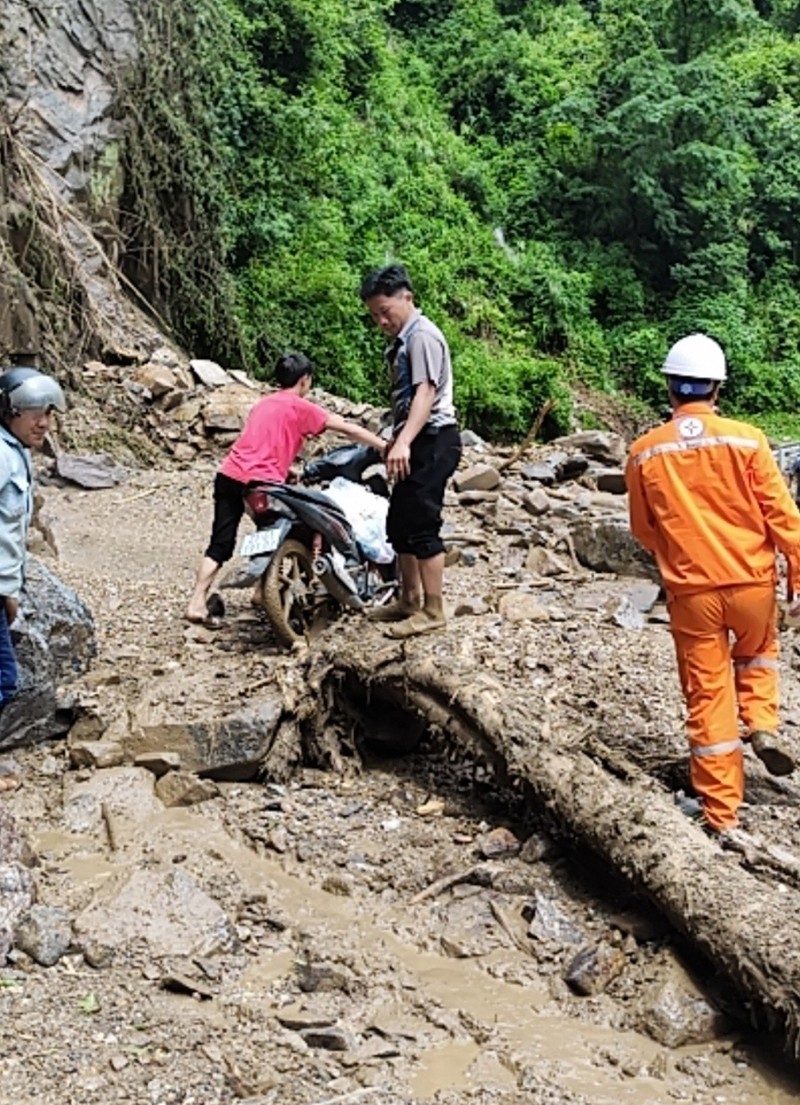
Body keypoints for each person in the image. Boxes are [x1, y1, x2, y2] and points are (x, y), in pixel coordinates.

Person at [626, 333, 800, 834]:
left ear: (670, 387)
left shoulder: (644, 452)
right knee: (758, 655)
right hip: (752, 584)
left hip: (693, 593)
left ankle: (721, 814)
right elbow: (784, 518)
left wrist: (677, 557)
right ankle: (763, 722)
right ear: (717, 388)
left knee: (707, 695)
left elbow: (643, 528)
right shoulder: (748, 440)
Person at [186, 352, 387, 624]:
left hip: (229, 475)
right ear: (304, 380)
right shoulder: (301, 406)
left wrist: (286, 468)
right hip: (261, 483)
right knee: (293, 525)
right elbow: (346, 429)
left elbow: (262, 442)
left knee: (221, 543)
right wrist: (384, 446)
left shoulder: (262, 404)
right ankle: (263, 591)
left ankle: (197, 602)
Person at [359, 263, 462, 639]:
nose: (381, 321)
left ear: (407, 297)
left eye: (385, 311)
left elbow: (426, 393)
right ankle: (408, 598)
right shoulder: (403, 342)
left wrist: (403, 441)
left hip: (434, 440)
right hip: (414, 440)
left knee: (421, 524)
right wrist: (395, 438)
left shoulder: (422, 337)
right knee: (399, 523)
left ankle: (434, 609)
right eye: (374, 315)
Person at [0, 366, 67, 711]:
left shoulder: (16, 452)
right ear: (10, 412)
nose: (44, 424)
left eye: (48, 415)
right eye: (35, 415)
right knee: (4, 679)